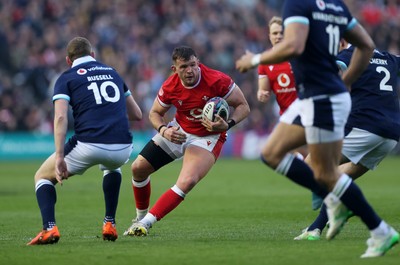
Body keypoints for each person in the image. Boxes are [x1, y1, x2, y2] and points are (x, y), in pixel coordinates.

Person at [236, 0, 398, 258]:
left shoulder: (298, 4)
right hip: (318, 95)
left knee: (318, 171)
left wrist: (255, 59)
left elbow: (293, 45)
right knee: (286, 158)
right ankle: (349, 209)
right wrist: (345, 82)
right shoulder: (336, 6)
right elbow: (366, 45)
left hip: (320, 96)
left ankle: (375, 227)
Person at [123, 46, 250, 237]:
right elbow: (155, 113)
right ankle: (139, 218)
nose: (190, 70)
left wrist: (227, 124)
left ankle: (146, 223)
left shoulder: (217, 80)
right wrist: (164, 130)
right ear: (175, 69)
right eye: (184, 67)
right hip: (179, 130)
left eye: (193, 65)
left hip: (208, 137)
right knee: (137, 168)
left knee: (187, 180)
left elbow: (243, 106)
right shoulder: (170, 86)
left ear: (198, 63)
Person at [27, 37, 142, 245]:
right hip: (123, 147)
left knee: (42, 177)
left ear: (68, 60)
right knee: (112, 167)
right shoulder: (113, 72)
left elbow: (61, 117)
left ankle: (49, 228)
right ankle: (110, 222)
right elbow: (136, 114)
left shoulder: (66, 77)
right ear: (93, 55)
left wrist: (60, 155)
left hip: (88, 143)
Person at [295, 40, 400, 243]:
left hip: (365, 125)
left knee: (311, 165)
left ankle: (344, 206)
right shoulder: (389, 58)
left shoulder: (349, 54)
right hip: (391, 133)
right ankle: (315, 229)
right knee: (341, 178)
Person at [257, 16, 308, 159]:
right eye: (275, 33)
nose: (278, 36)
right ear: (269, 36)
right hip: (286, 114)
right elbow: (263, 89)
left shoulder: (298, 55)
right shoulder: (265, 60)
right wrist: (262, 93)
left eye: (281, 33)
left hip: (306, 110)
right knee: (278, 151)